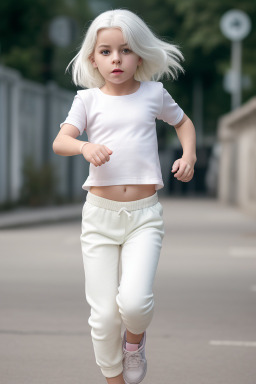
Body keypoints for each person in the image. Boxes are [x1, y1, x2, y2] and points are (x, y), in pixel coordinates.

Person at [52, 9, 196, 384]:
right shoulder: (87, 101)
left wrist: (189, 155)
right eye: (106, 51)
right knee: (102, 316)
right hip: (99, 216)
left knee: (133, 304)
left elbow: (183, 122)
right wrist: (84, 148)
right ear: (93, 59)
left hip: (144, 216)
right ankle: (114, 379)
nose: (116, 59)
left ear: (140, 56)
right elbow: (61, 141)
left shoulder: (153, 94)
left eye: (126, 50)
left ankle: (134, 343)